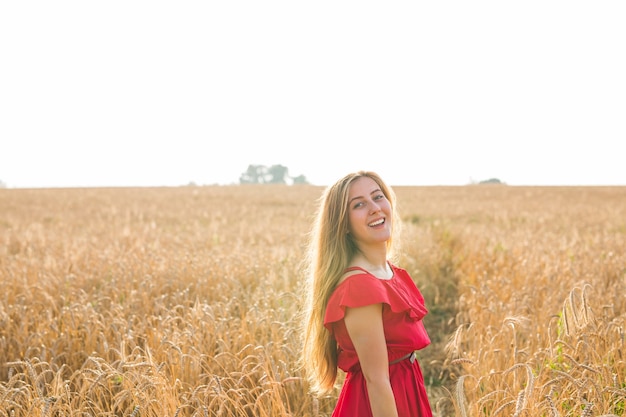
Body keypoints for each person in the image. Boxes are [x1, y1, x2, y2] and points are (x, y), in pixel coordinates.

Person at [301, 171, 433, 417]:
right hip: (380, 405)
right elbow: (377, 380)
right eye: (359, 205)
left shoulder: (388, 272)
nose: (374, 208)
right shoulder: (360, 288)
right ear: (344, 225)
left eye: (378, 197)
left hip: (405, 393)